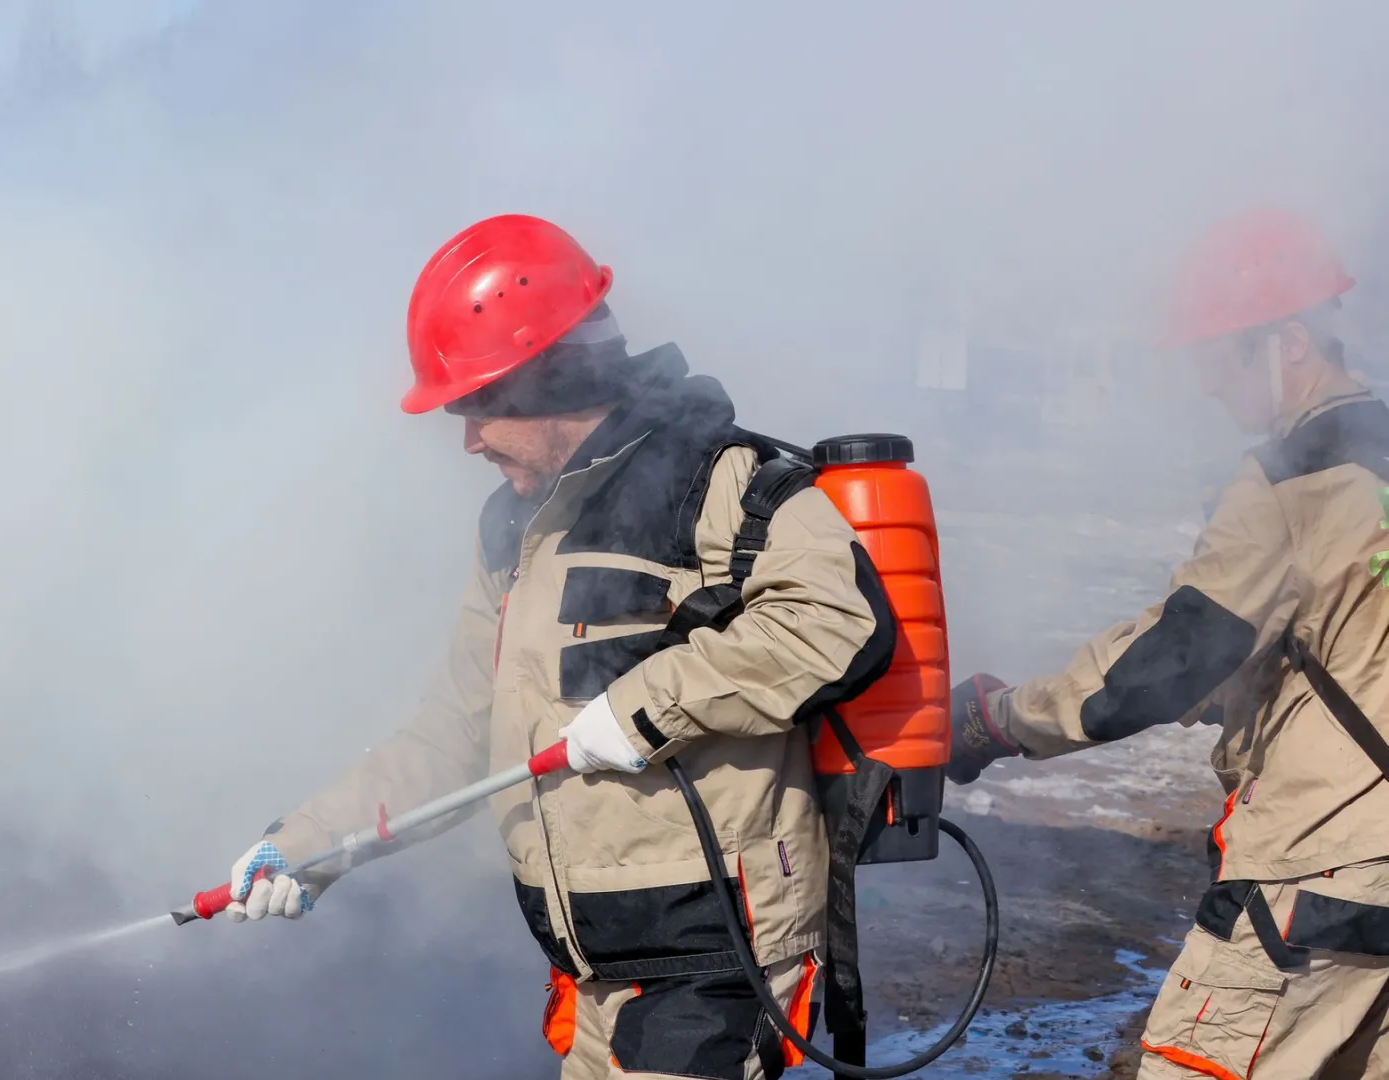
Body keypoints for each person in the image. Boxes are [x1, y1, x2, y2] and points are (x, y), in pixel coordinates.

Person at [222, 213, 895, 1080]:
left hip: (714, 963)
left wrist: (644, 708)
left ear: (552, 379)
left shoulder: (721, 481)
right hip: (593, 971)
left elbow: (839, 621)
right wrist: (312, 844)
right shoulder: (514, 530)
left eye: (478, 407)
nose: (467, 440)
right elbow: (451, 735)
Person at [948, 207, 1389, 1079]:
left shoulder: (1292, 479)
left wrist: (1000, 721)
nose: (1209, 388)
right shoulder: (1376, 459)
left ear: (1288, 341)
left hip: (1319, 867)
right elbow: (1341, 641)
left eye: (1219, 361)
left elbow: (1167, 661)